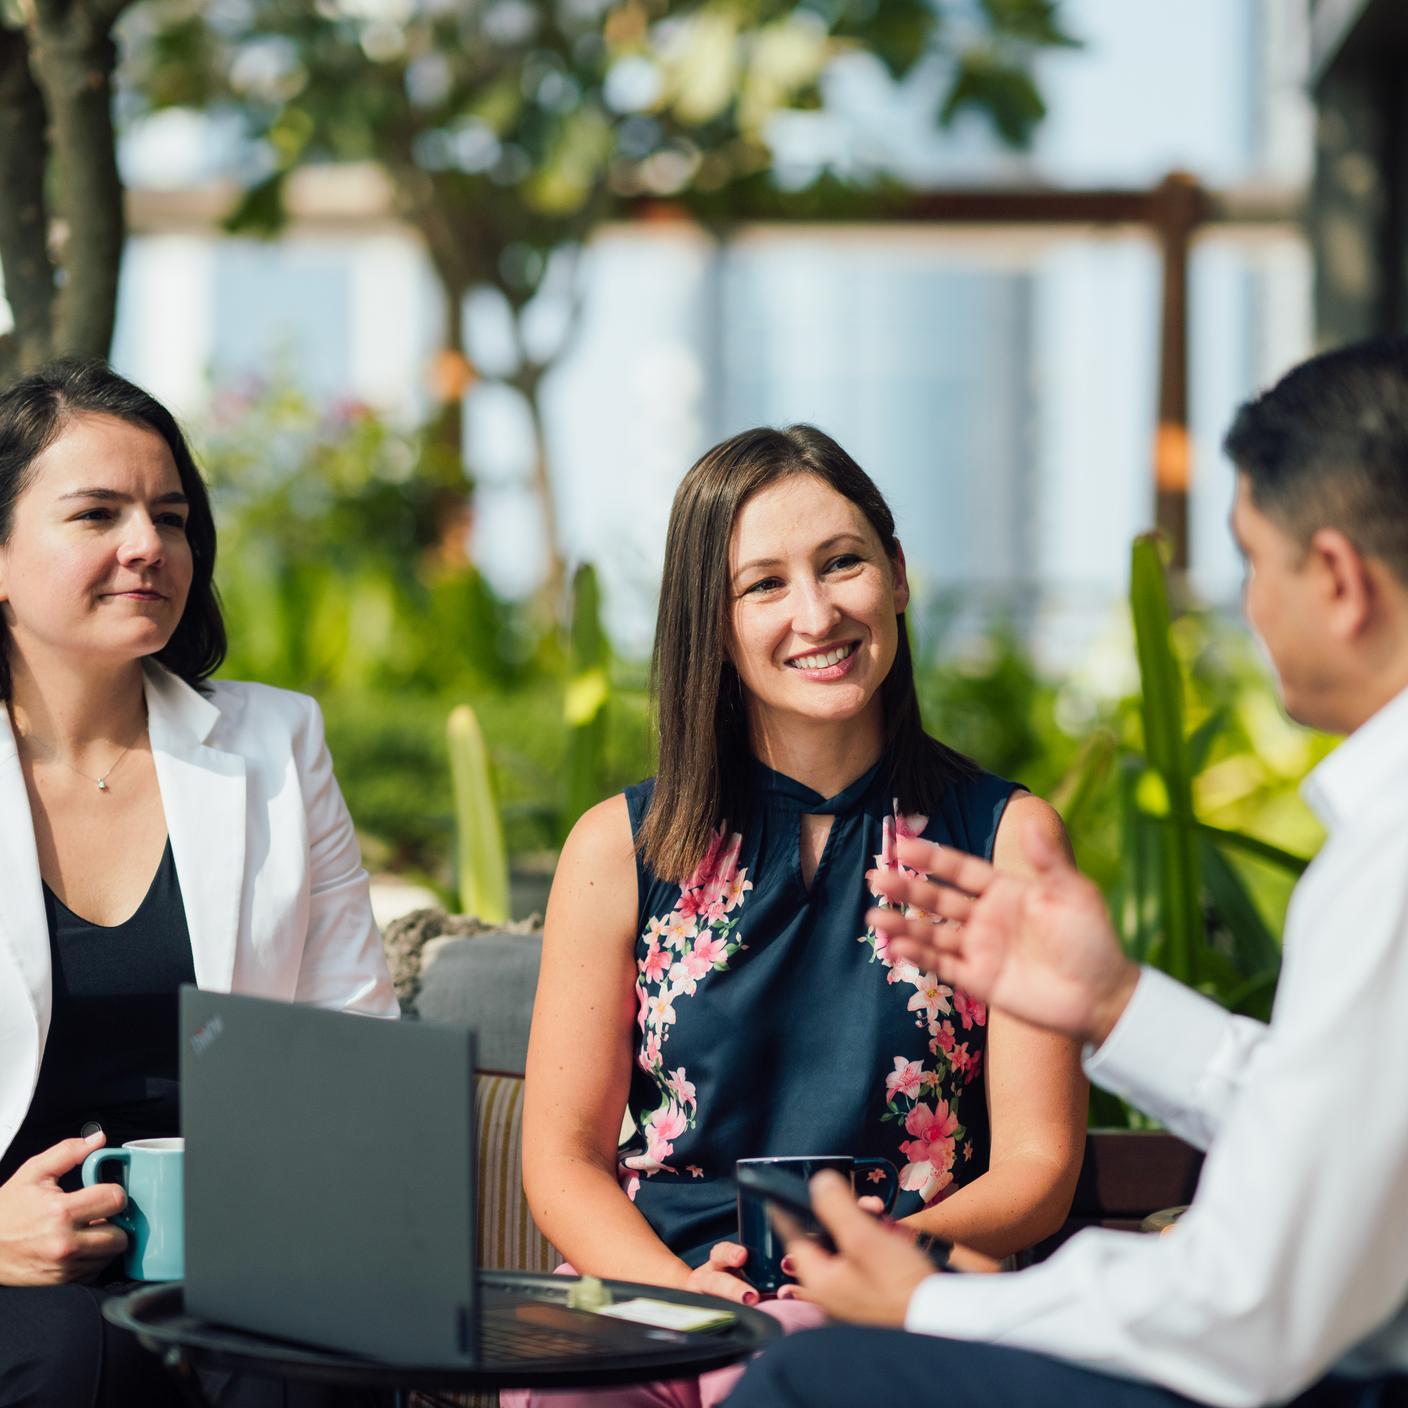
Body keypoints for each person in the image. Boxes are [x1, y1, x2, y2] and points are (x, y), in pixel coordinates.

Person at [724, 336, 1408, 1408]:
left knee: (811, 1382)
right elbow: (1335, 1133)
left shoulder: (1390, 864)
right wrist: (1115, 1002)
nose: (1250, 607)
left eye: (1249, 562)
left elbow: (1245, 1311)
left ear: (1334, 578)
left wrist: (928, 1300)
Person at [516, 425, 1088, 1408]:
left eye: (843, 563)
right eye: (764, 584)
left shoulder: (1004, 838)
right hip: (657, 1294)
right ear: (712, 620)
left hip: (893, 1295)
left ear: (897, 575)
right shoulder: (616, 847)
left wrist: (884, 1263)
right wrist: (674, 1291)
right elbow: (560, 1157)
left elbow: (1039, 1160)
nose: (816, 612)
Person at [0, 359, 398, 1408]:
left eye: (170, 517)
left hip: (254, 1244)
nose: (148, 546)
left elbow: (354, 1044)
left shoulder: (276, 742)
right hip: (23, 1259)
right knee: (76, 1364)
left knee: (306, 1373)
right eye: (97, 513)